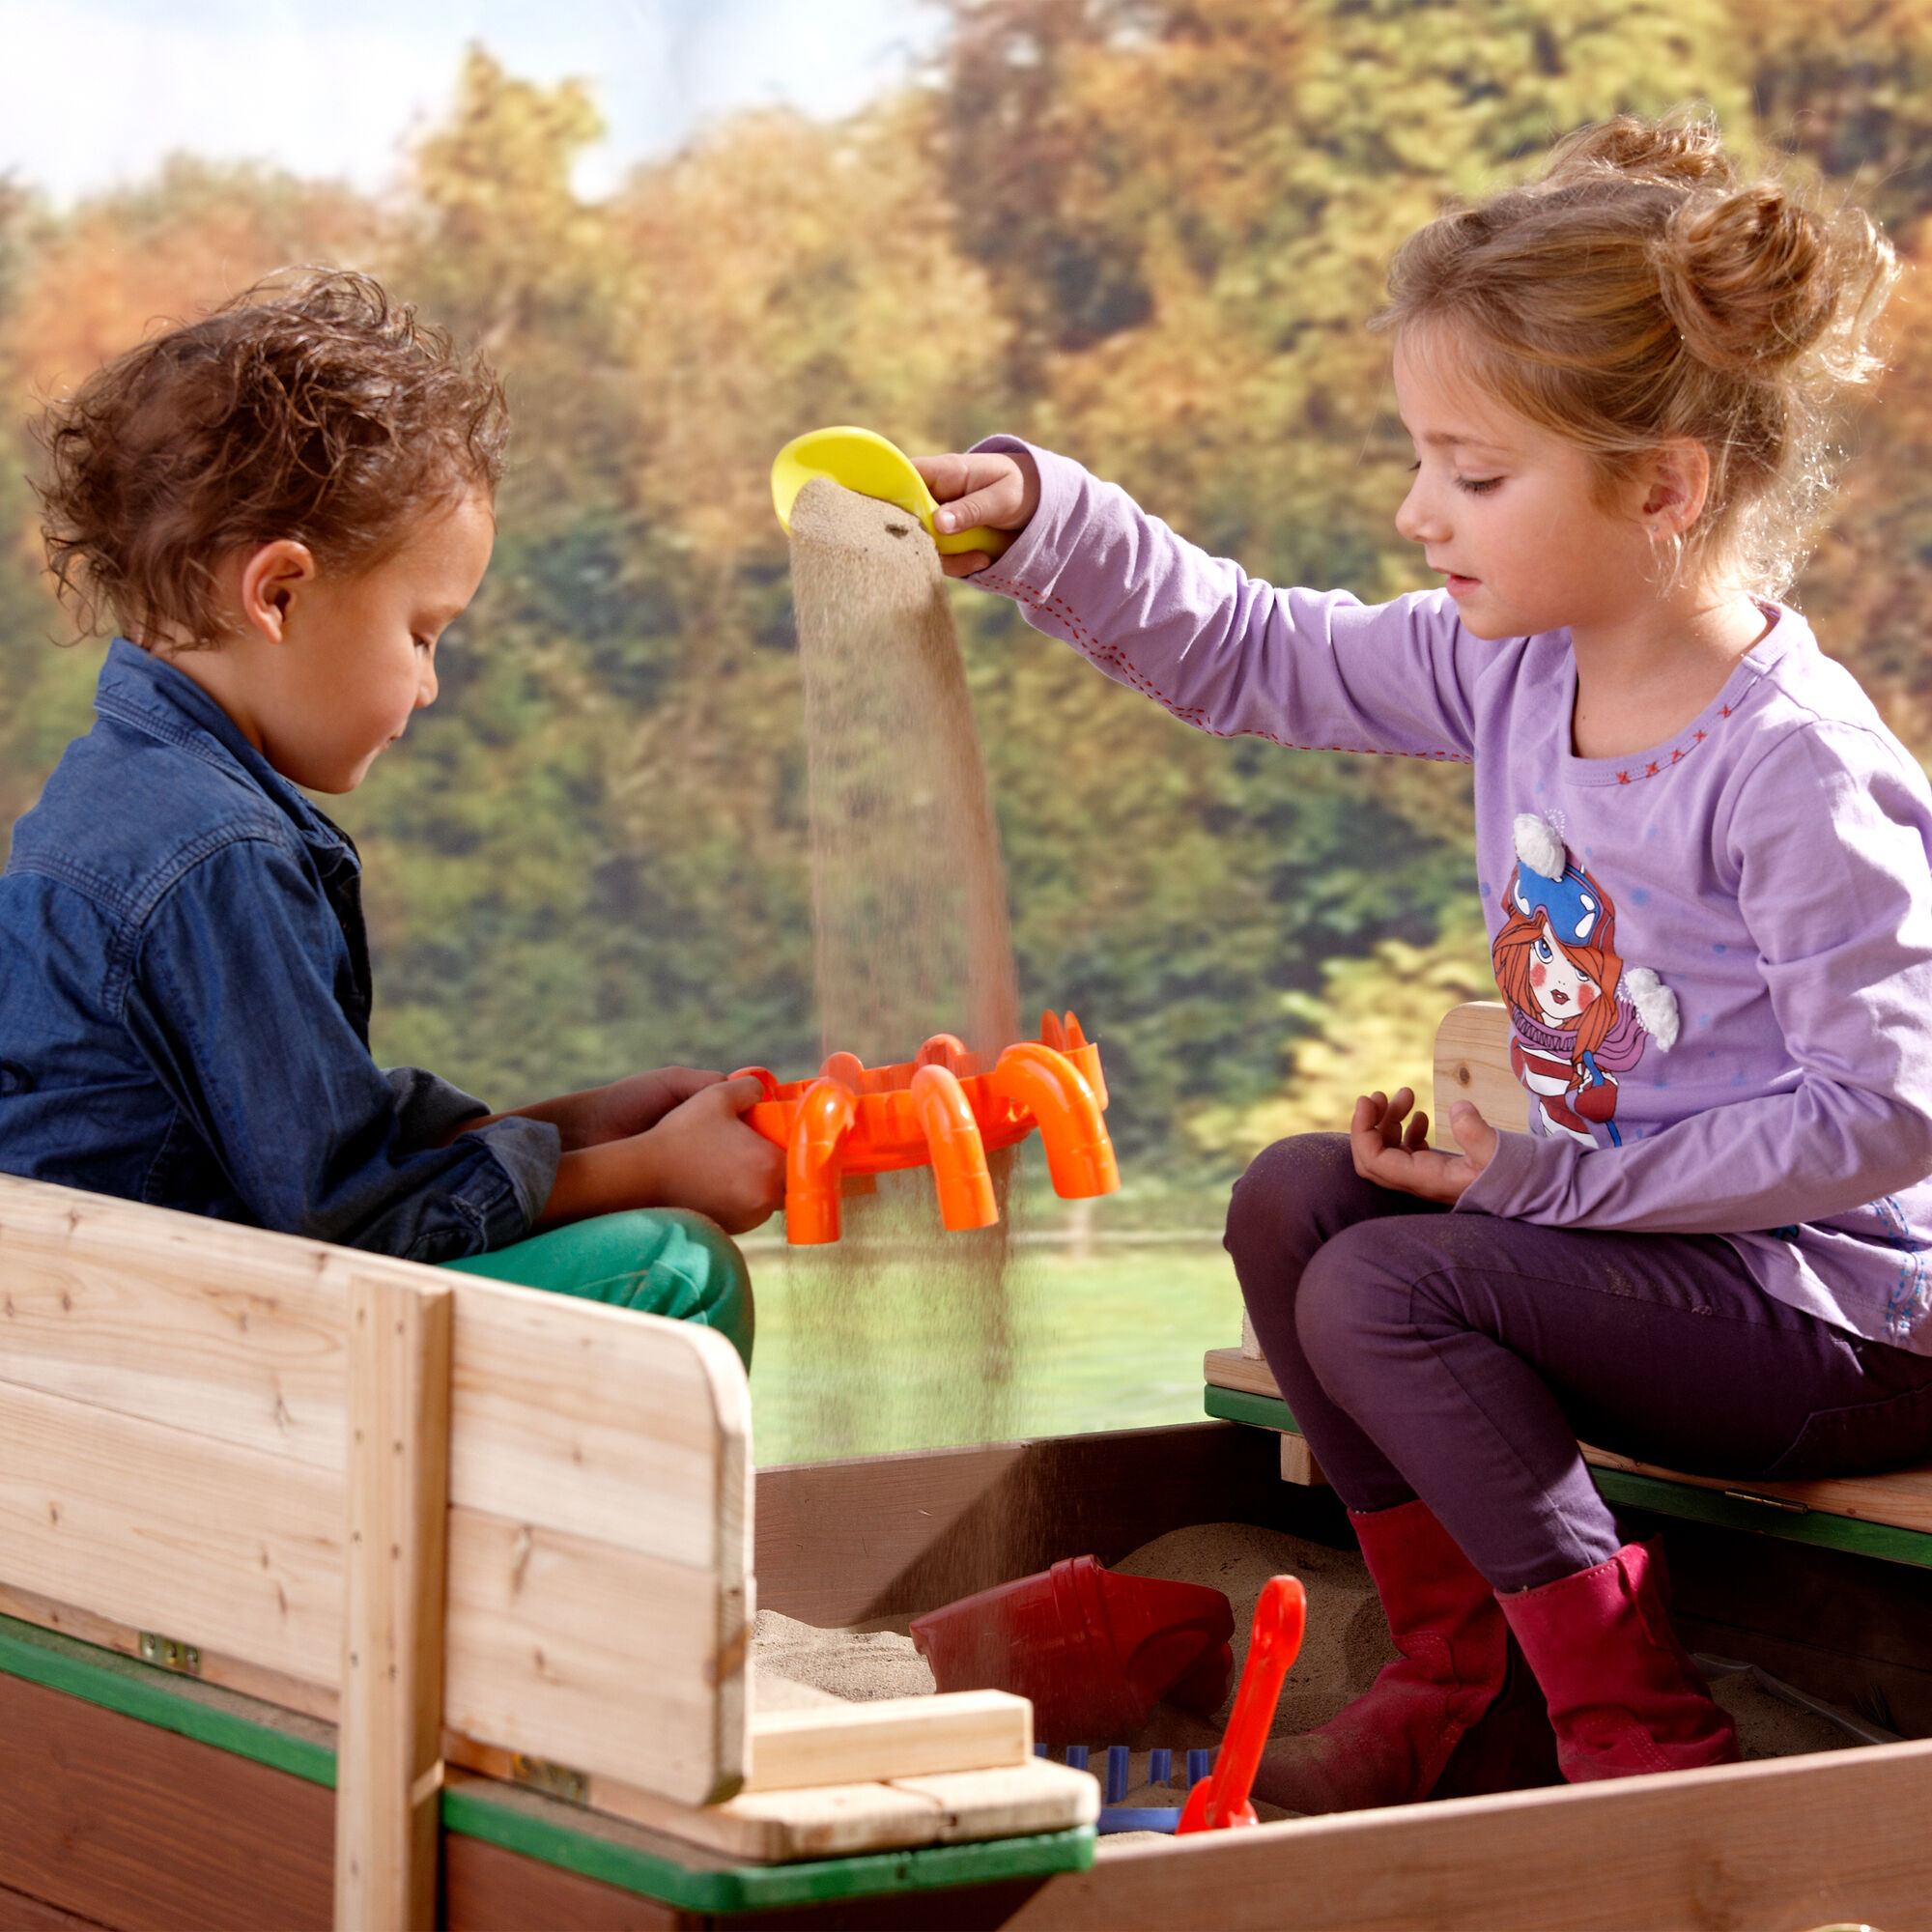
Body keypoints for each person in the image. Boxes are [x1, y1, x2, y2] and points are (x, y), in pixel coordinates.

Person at [916, 114, 1932, 1805]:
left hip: (1850, 1322)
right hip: (1657, 1272)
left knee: (1391, 1281)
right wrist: (1045, 521)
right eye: (1421, 460)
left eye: (1473, 475)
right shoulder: (1511, 672)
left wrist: (1534, 1189)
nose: (1415, 511)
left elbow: (1886, 1115)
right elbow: (1255, 650)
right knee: (1293, 1203)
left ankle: (1628, 1719)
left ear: (1662, 488)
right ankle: (1469, 1673)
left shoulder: (1797, 768)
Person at [0, 271, 781, 1366]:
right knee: (668, 1268)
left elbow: (312, 1142)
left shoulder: (119, 804)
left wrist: (581, 1124)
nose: (427, 685)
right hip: (178, 1362)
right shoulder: (214, 852)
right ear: (276, 594)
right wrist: (651, 1174)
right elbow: (349, 1219)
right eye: (421, 632)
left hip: (123, 1332)